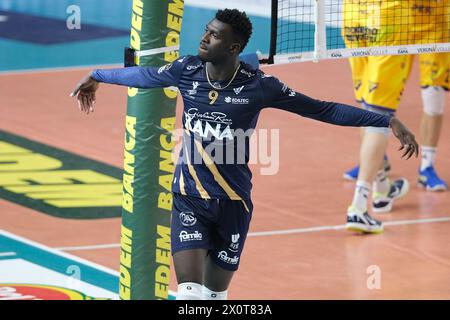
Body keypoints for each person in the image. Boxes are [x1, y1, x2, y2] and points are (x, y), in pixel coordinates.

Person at [71, 9, 418, 300]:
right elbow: (144, 75)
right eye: (207, 32)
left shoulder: (260, 86)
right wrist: (98, 75)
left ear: (233, 46)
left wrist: (385, 119)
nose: (204, 39)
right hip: (190, 197)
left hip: (234, 202)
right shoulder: (187, 70)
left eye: (215, 36)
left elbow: (323, 109)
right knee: (190, 295)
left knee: (213, 297)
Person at [342, 0, 450, 193]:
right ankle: (376, 163)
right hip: (394, 21)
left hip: (435, 21)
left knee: (434, 98)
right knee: (369, 99)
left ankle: (427, 168)